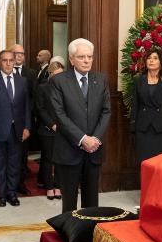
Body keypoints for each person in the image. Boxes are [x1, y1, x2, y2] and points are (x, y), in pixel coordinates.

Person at [49, 38, 111, 212]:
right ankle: (68, 236)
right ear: (71, 59)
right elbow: (59, 115)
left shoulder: (101, 79)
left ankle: (89, 234)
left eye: (89, 57)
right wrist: (83, 139)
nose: (86, 60)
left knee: (92, 202)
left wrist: (95, 139)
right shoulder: (58, 81)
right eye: (82, 57)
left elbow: (106, 112)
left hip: (94, 150)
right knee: (69, 203)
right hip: (69, 149)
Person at [0, 50, 32, 207]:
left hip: (17, 130)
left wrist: (27, 127)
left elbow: (27, 107)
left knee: (15, 164)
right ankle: (1, 195)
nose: (9, 63)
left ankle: (12, 193)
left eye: (11, 60)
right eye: (5, 60)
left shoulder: (22, 81)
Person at [128, 48, 162, 163]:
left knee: (159, 165)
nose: (151, 61)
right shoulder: (138, 80)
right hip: (142, 129)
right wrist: (132, 129)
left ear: (161, 62)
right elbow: (135, 105)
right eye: (149, 58)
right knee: (144, 165)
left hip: (160, 130)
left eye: (155, 58)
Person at [35, 59, 64, 200]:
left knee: (60, 159)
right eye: (56, 74)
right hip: (47, 129)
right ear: (50, 74)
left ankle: (58, 186)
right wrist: (52, 124)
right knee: (47, 159)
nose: (59, 77)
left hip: (63, 130)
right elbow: (40, 109)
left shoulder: (66, 87)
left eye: (61, 74)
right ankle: (49, 187)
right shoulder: (42, 87)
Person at [11, 43, 35, 194]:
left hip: (24, 122)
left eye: (22, 53)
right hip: (5, 121)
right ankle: (8, 185)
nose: (19, 56)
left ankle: (20, 183)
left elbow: (33, 97)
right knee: (8, 154)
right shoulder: (1, 72)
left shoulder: (31, 73)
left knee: (21, 155)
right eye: (16, 53)